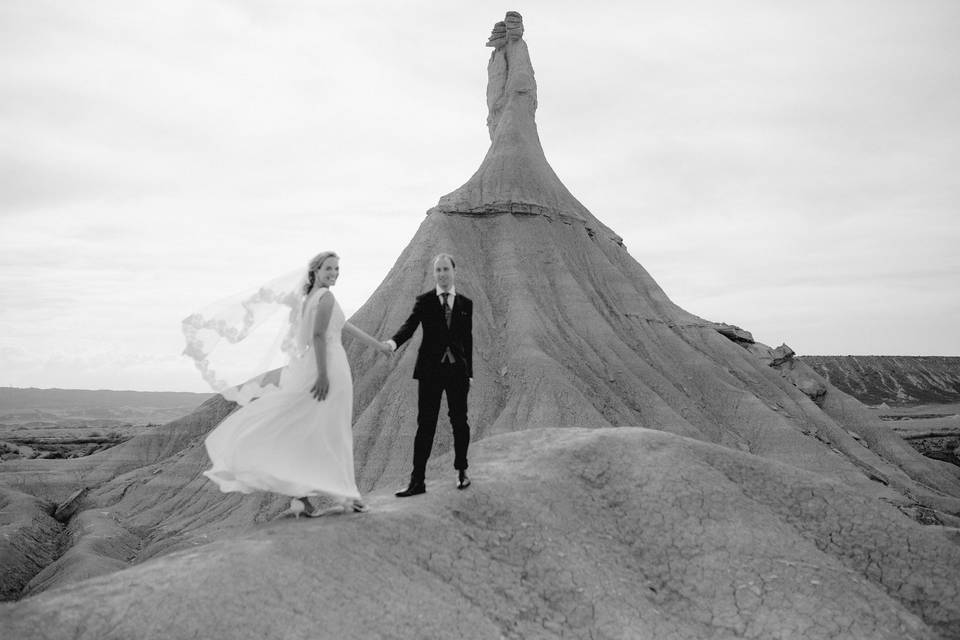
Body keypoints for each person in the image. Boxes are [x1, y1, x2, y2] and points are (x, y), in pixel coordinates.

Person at [198, 251, 390, 517]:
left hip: (314, 364)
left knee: (309, 428)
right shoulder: (326, 297)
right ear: (315, 271)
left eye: (336, 269)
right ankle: (348, 497)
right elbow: (320, 336)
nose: (334, 273)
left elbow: (343, 327)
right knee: (335, 431)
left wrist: (378, 346)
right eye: (328, 268)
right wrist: (323, 375)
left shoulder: (309, 299)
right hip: (330, 367)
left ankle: (302, 499)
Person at [385, 253, 474, 497]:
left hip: (457, 372)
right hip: (430, 372)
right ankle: (417, 481)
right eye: (438, 270)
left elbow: (468, 340)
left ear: (454, 272)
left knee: (460, 423)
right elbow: (409, 326)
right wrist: (393, 344)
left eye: (446, 269)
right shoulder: (424, 301)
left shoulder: (466, 304)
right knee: (426, 425)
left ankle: (462, 471)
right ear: (434, 274)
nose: (442, 274)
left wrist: (471, 373)